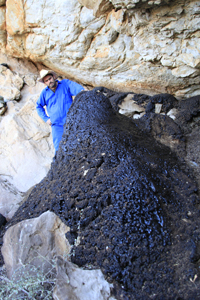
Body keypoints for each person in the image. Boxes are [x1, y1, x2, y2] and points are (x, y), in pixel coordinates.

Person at [36, 69, 84, 153]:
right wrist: (46, 119)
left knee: (77, 145)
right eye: (46, 80)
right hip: (57, 125)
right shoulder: (44, 93)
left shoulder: (65, 84)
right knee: (59, 150)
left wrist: (84, 93)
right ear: (44, 83)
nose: (49, 81)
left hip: (71, 122)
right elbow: (38, 106)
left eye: (50, 78)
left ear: (54, 77)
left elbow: (79, 90)